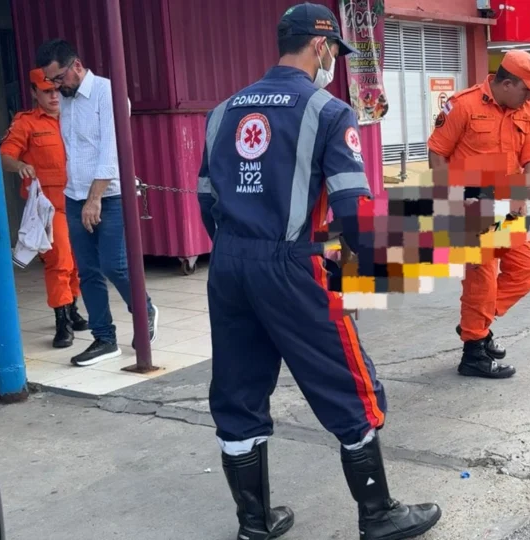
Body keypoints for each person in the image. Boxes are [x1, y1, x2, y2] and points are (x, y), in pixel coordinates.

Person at [196, 4, 441, 539]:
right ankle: (378, 514)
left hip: (230, 263)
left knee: (237, 390)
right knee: (347, 383)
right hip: (293, 265)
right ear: (319, 46)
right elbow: (352, 210)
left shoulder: (222, 112)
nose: (333, 61)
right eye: (333, 51)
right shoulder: (329, 112)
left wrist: (240, 252)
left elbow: (206, 200)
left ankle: (255, 523)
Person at [36, 39, 158, 367]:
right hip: (74, 194)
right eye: (51, 81)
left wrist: (95, 198)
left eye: (59, 78)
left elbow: (111, 150)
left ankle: (144, 310)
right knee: (87, 270)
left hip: (110, 195)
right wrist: (78, 195)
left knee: (113, 265)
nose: (57, 86)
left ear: (76, 66)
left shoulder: (108, 92)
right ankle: (104, 338)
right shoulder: (68, 99)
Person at [427, 50, 530, 379]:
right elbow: (437, 153)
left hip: (507, 207)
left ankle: (475, 326)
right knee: (481, 277)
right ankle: (474, 354)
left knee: (525, 270)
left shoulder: (528, 110)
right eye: (526, 89)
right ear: (506, 84)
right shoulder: (463, 105)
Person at [0, 68, 88, 348]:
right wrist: (20, 165)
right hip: (50, 209)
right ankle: (62, 320)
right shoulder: (26, 122)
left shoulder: (75, 116)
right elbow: (5, 155)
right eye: (46, 91)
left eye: (56, 90)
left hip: (79, 202)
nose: (53, 96)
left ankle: (72, 308)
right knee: (59, 261)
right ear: (34, 92)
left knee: (78, 260)